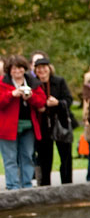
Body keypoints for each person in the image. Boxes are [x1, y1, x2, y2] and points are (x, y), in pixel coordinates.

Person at [1, 55, 47, 189]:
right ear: (9, 70)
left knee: (27, 156)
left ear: (24, 69)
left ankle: (26, 185)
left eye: (20, 68)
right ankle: (13, 186)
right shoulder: (2, 83)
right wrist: (12, 94)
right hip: (7, 128)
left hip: (28, 126)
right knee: (10, 159)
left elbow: (42, 102)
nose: (17, 71)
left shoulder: (32, 83)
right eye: (14, 69)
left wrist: (30, 97)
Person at [31, 56, 75, 186]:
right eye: (39, 68)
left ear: (49, 69)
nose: (42, 71)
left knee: (65, 157)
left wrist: (58, 103)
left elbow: (69, 100)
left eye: (44, 68)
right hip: (43, 125)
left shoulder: (59, 81)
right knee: (45, 158)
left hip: (60, 123)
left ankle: (67, 184)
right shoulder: (34, 84)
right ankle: (45, 186)